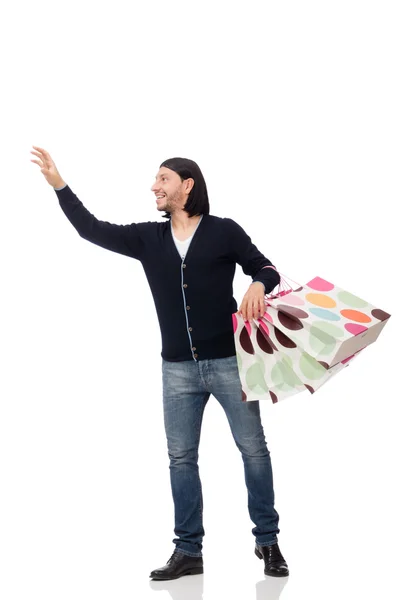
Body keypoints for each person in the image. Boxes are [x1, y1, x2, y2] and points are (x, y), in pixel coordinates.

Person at [30, 145, 289, 580]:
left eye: (163, 179)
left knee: (253, 451)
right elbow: (91, 229)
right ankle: (188, 551)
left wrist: (257, 285)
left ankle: (268, 543)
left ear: (187, 186)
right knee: (181, 458)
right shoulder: (148, 238)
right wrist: (60, 184)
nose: (155, 186)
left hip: (229, 363)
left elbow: (266, 268)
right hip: (177, 372)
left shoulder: (225, 231)